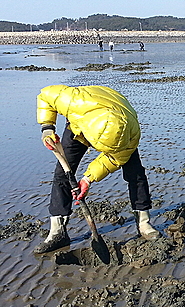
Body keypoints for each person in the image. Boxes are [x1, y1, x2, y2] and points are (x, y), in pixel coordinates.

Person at [35, 85, 161, 254]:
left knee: (135, 174)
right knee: (62, 174)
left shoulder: (129, 134)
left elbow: (114, 159)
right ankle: (57, 232)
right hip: (79, 124)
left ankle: (143, 222)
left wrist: (88, 178)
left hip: (119, 116)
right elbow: (45, 96)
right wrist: (47, 128)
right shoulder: (73, 100)